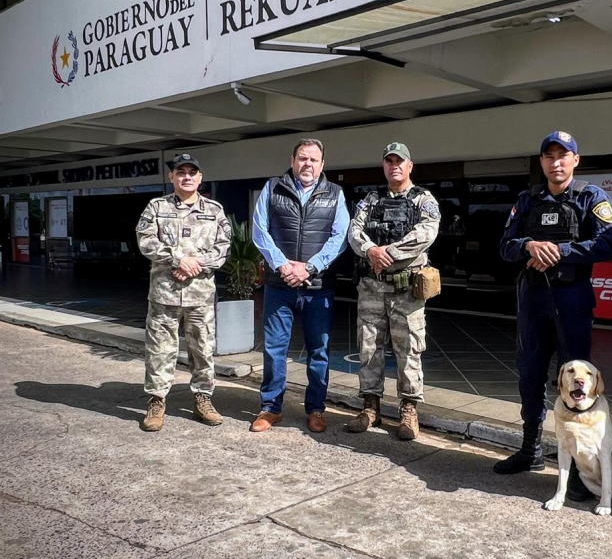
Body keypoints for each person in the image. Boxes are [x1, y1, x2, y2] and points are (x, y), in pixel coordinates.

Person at [494, 131, 612, 492]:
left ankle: (583, 468)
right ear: (542, 163)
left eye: (563, 155)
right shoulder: (527, 200)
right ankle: (530, 450)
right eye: (548, 156)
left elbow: (609, 243)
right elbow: (505, 246)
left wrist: (561, 251)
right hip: (533, 302)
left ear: (575, 160)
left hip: (572, 301)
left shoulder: (591, 198)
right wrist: (529, 244)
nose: (556, 162)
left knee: (579, 384)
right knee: (530, 377)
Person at [250, 139, 349, 434]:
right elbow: (259, 230)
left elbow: (339, 236)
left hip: (318, 287)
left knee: (319, 350)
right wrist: (283, 266)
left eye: (314, 160)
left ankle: (316, 409)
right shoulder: (272, 188)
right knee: (274, 349)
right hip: (279, 286)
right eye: (303, 158)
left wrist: (309, 267)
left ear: (322, 165)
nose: (308, 164)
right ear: (292, 159)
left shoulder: (335, 194)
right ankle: (271, 408)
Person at [347, 142, 440, 440]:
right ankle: (370, 407)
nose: (394, 166)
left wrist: (388, 252)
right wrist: (370, 249)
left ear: (410, 165)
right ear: (384, 166)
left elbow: (426, 233)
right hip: (371, 288)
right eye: (388, 161)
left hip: (406, 290)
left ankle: (409, 410)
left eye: (399, 161)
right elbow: (354, 231)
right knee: (369, 347)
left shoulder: (423, 200)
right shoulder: (371, 200)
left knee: (409, 349)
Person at [136, 153, 232, 432]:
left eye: (192, 172)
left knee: (202, 349)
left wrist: (192, 266)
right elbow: (145, 240)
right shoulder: (156, 207)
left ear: (200, 178)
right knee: (160, 350)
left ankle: (203, 398)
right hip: (164, 294)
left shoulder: (214, 210)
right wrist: (179, 259)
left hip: (200, 295)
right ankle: (156, 401)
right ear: (172, 177)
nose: (187, 176)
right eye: (181, 172)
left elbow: (223, 247)